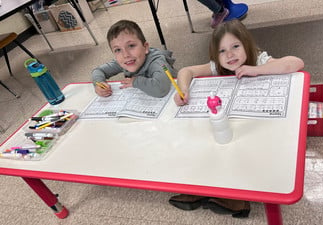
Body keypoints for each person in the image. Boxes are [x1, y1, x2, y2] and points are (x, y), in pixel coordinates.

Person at [169, 19, 304, 218]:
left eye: (235, 46)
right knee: (208, 142)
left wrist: (256, 70)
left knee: (244, 149)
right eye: (222, 51)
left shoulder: (258, 59)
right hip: (228, 121)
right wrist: (183, 89)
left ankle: (238, 197)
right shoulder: (217, 66)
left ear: (246, 45)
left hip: (256, 125)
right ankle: (202, 188)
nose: (229, 55)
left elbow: (296, 63)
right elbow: (186, 71)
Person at [92, 20, 176, 98]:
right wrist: (99, 83)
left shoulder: (157, 62)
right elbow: (98, 70)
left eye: (131, 46)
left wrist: (136, 82)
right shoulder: (124, 61)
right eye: (118, 50)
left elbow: (161, 90)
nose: (125, 55)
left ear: (145, 47)